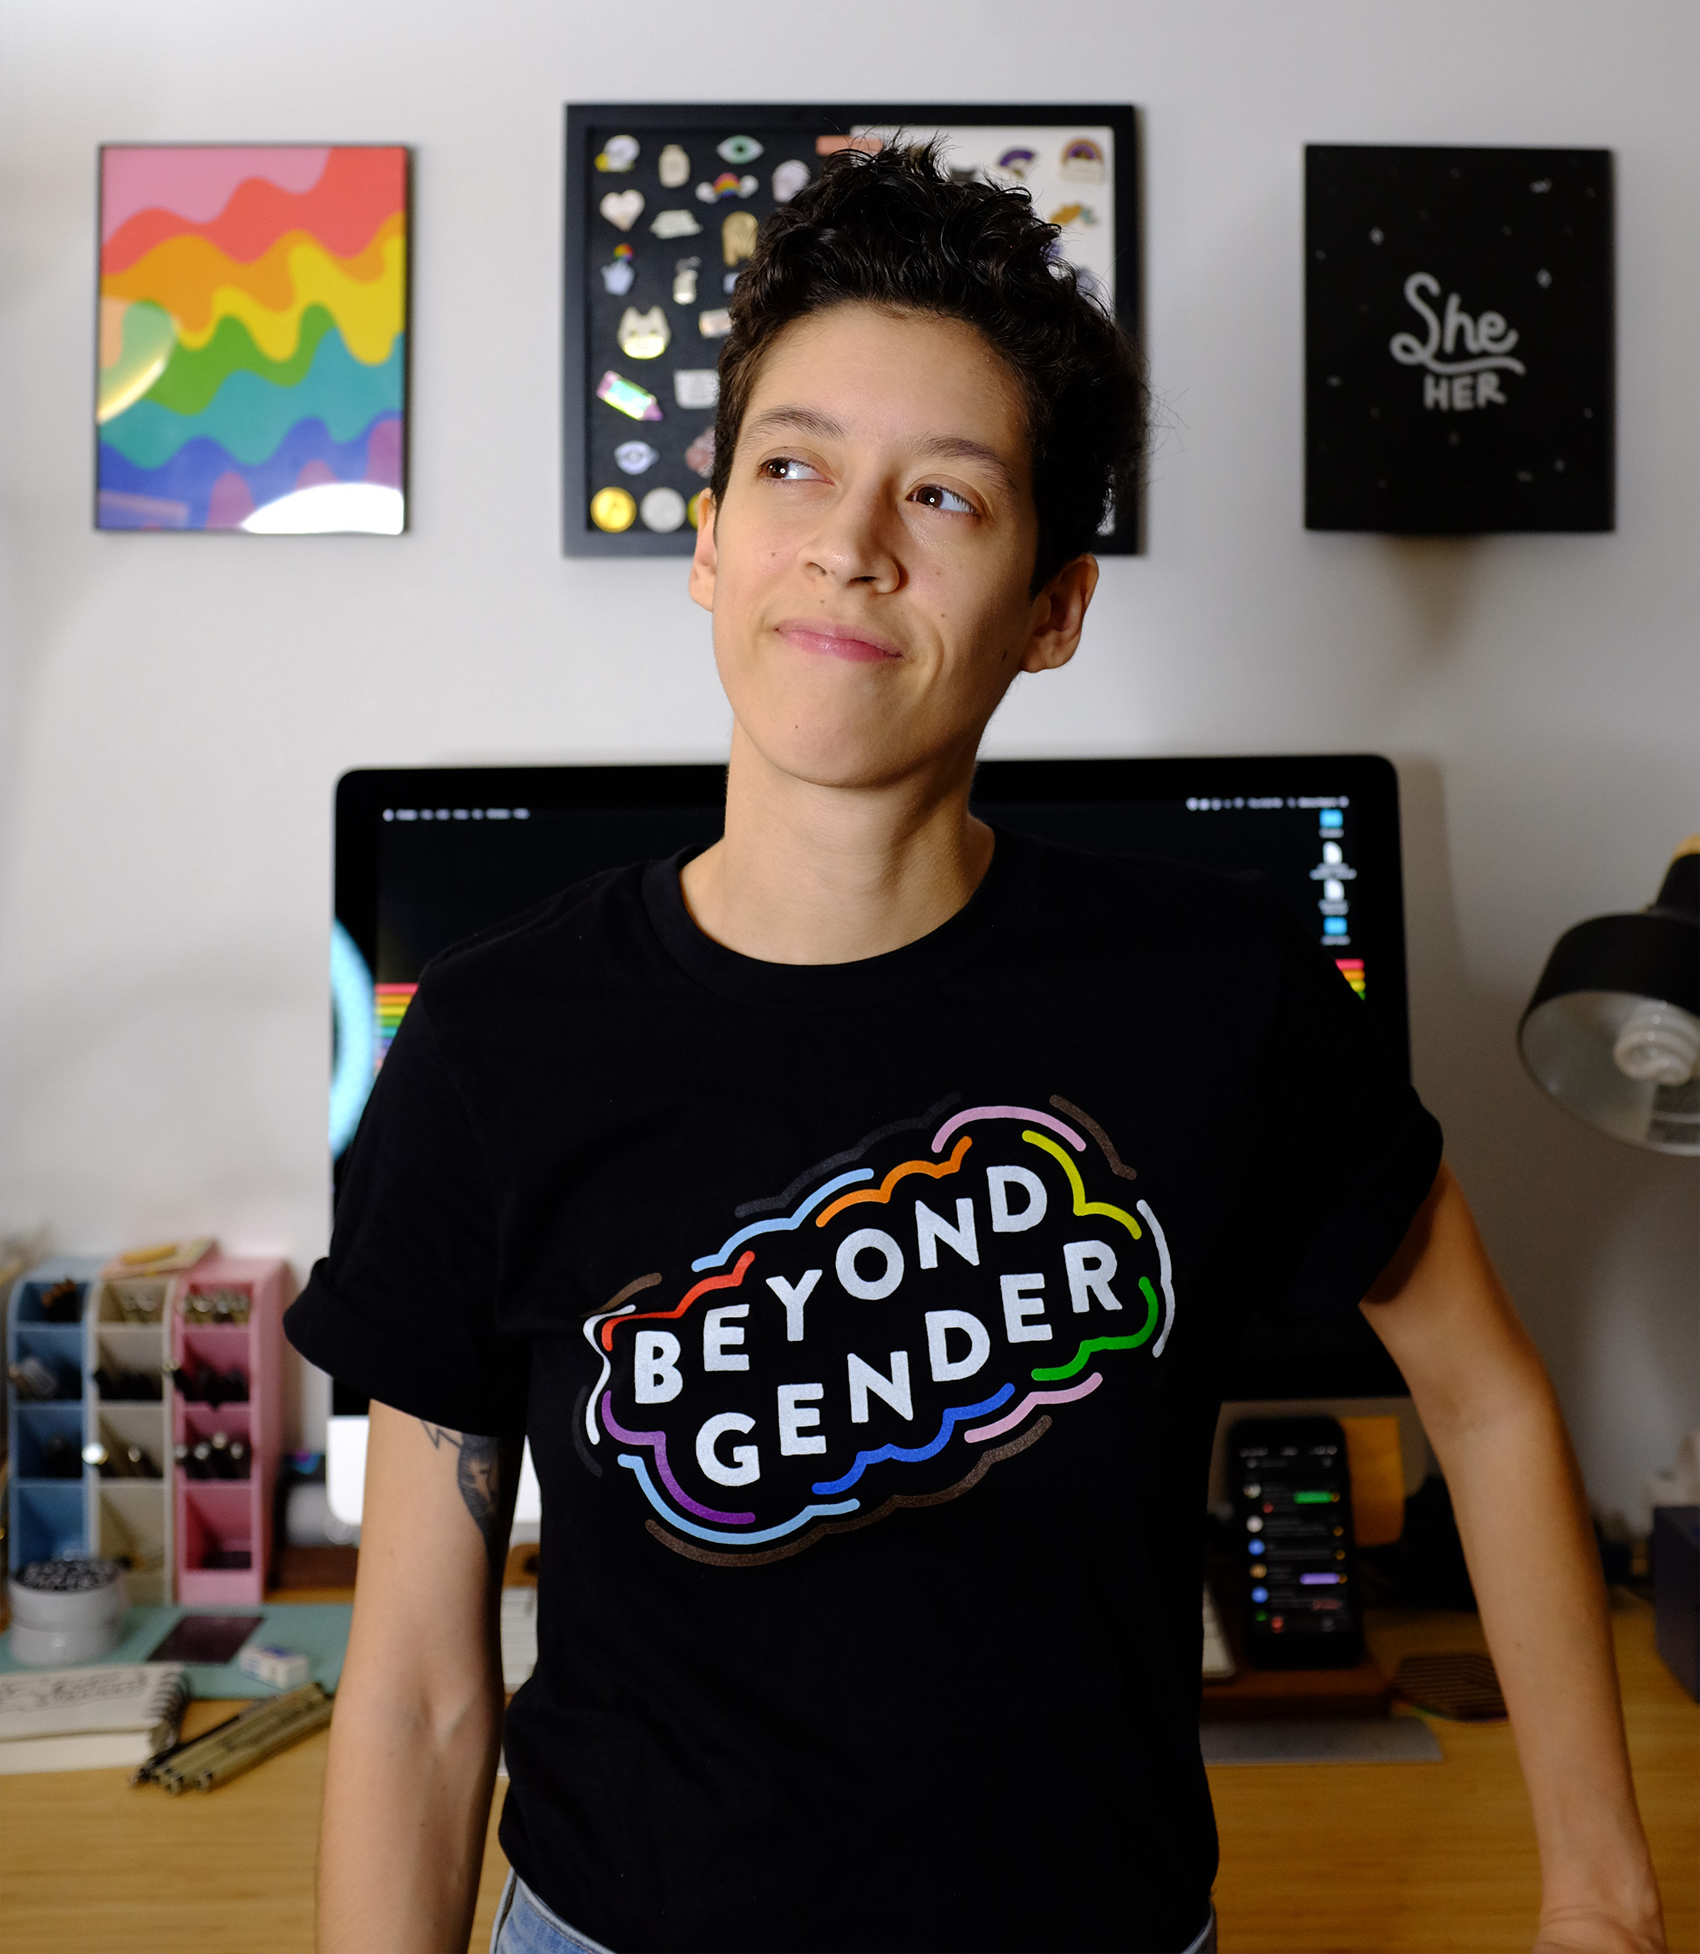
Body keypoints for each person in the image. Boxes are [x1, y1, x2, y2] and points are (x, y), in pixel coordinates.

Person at [287, 145, 1665, 1954]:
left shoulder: (1214, 992)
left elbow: (1483, 1398)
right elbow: (411, 1688)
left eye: (945, 494)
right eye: (792, 466)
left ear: (1053, 606)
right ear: (708, 541)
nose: (850, 541)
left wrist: (1604, 1898)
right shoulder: (489, 1038)